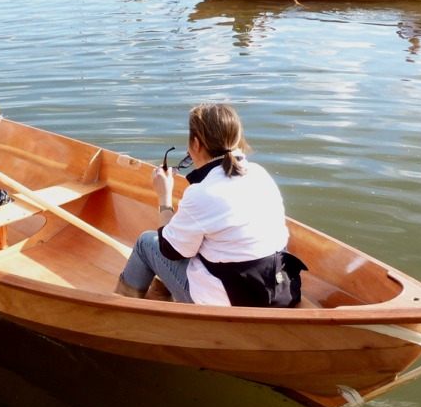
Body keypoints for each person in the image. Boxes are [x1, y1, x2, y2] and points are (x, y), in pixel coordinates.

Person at [114, 103, 305, 307]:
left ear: (195, 144)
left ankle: (121, 308)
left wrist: (164, 196)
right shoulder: (260, 173)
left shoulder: (201, 193)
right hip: (279, 289)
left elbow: (169, 250)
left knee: (147, 243)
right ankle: (161, 298)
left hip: (232, 301)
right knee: (192, 240)